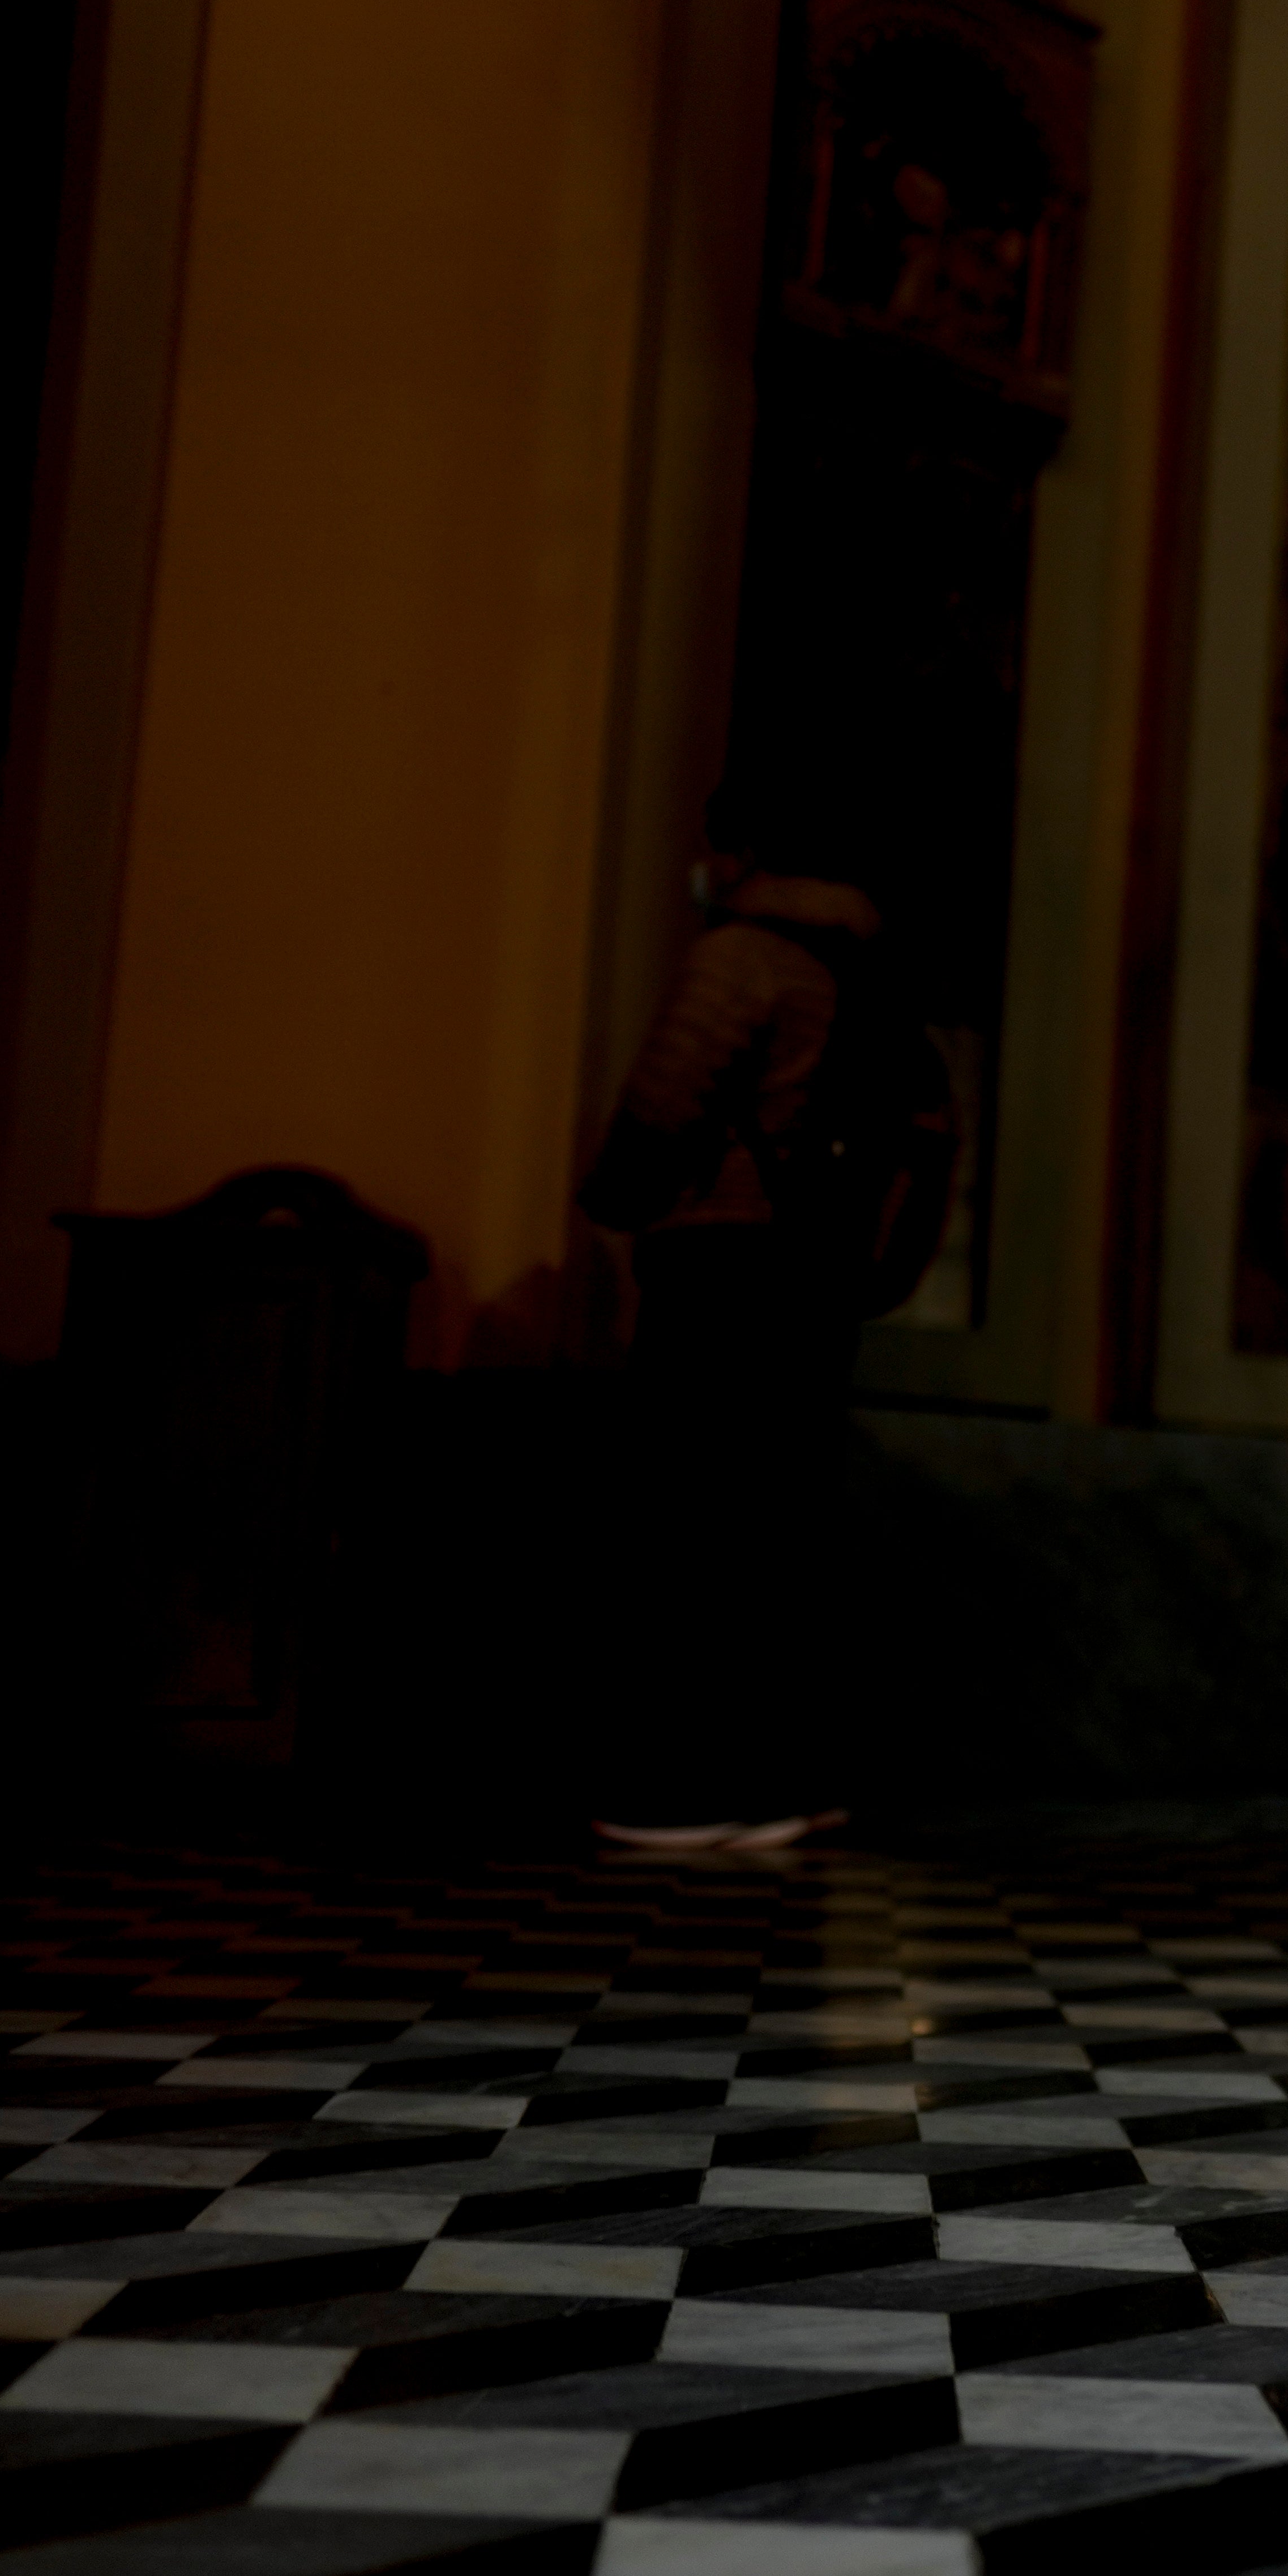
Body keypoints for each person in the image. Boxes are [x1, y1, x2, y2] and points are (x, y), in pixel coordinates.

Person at [573, 768, 946, 1852]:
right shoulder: (880, 979)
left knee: (688, 1525)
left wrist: (618, 1201)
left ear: (748, 851)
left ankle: (680, 1789)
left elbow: (660, 1108)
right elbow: (929, 1137)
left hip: (723, 1267)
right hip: (820, 1281)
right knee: (780, 1528)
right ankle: (784, 1781)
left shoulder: (742, 958)